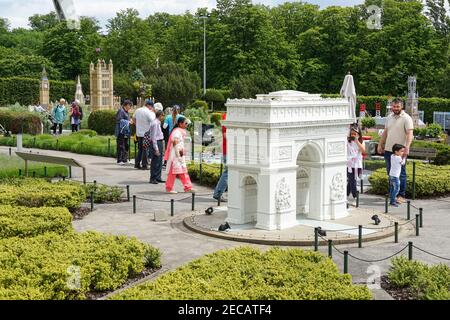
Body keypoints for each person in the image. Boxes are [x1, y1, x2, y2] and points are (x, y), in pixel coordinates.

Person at [377, 98, 413, 203]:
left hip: (400, 152)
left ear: (402, 106)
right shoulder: (389, 117)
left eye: (397, 106)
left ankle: (401, 195)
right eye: (394, 106)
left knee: (401, 174)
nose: (395, 108)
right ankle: (393, 193)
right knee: (391, 173)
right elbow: (385, 132)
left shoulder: (407, 118)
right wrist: (380, 144)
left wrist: (407, 147)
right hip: (388, 150)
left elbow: (409, 134)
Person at [164, 116, 195, 194]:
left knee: (183, 171)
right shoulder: (177, 132)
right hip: (175, 155)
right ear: (180, 124)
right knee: (173, 172)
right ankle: (169, 188)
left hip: (179, 154)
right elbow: (175, 143)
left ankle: (188, 187)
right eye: (185, 123)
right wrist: (178, 155)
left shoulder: (179, 131)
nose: (187, 125)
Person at [133, 99, 156, 169]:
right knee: (145, 149)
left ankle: (137, 164)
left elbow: (133, 118)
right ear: (149, 106)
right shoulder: (148, 112)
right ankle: (144, 165)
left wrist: (137, 125)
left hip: (139, 133)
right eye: (151, 107)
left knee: (140, 149)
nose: (152, 108)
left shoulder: (138, 110)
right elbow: (153, 121)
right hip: (146, 133)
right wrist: (153, 113)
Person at [347, 123, 365, 204]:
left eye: (355, 133)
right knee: (352, 180)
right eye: (352, 133)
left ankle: (346, 195)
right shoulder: (347, 141)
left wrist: (357, 141)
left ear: (358, 134)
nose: (353, 135)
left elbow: (363, 150)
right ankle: (355, 197)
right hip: (349, 164)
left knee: (351, 181)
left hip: (357, 164)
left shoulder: (361, 141)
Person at [213, 112, 228, 202]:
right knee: (228, 172)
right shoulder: (227, 116)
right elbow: (226, 135)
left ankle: (218, 193)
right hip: (230, 150)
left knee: (229, 172)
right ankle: (218, 193)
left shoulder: (226, 115)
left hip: (228, 150)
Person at [149, 110, 166, 184]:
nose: (163, 117)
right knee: (155, 161)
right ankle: (153, 178)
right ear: (160, 115)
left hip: (159, 141)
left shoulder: (157, 123)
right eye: (163, 115)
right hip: (157, 142)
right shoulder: (155, 123)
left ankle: (158, 177)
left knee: (159, 161)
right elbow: (153, 137)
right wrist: (156, 148)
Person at [115, 100, 133, 165]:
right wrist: (128, 121)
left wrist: (129, 120)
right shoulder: (121, 111)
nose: (130, 107)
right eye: (130, 105)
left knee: (126, 145)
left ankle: (125, 159)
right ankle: (119, 160)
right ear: (126, 105)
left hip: (125, 131)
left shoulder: (126, 111)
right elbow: (119, 120)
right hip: (121, 131)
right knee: (120, 145)